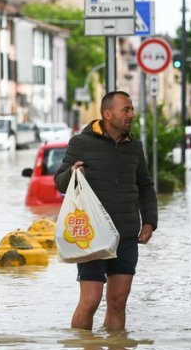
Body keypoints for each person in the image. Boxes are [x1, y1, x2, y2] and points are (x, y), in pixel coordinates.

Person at [55, 91, 158, 331]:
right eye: (126, 110)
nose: (132, 114)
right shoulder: (81, 143)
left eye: (132, 109)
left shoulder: (135, 147)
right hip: (92, 237)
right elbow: (59, 182)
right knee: (90, 300)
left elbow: (145, 186)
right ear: (108, 114)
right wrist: (72, 173)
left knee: (118, 302)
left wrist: (150, 221)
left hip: (126, 235)